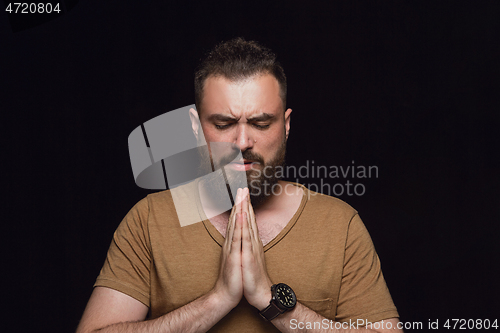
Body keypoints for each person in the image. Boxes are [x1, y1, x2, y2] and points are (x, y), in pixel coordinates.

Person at [76, 38, 402, 333]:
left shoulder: (339, 225)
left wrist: (270, 301)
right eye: (223, 124)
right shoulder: (149, 221)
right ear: (194, 126)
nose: (243, 141)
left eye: (261, 123)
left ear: (286, 126)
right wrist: (217, 300)